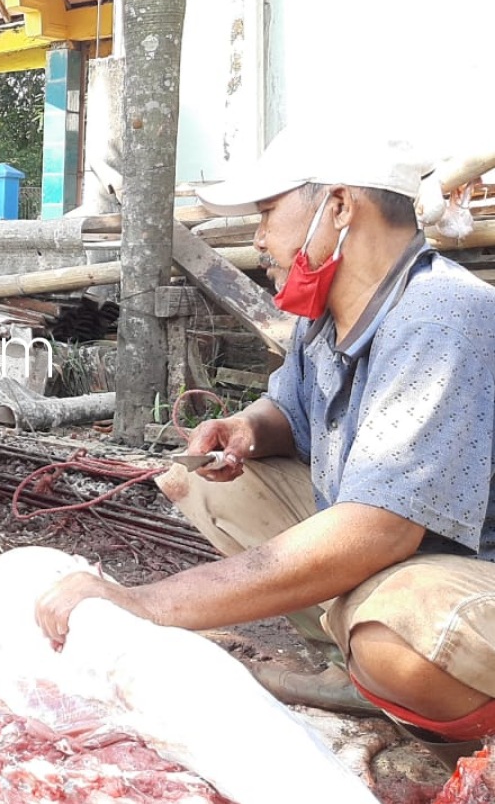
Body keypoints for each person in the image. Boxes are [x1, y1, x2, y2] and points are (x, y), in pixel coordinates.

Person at [34, 125, 495, 769]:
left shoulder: (444, 316)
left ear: (338, 207)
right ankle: (351, 652)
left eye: (268, 214)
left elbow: (379, 531)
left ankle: (458, 743)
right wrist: (250, 427)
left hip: (467, 568)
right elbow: (291, 409)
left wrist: (149, 604)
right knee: (194, 478)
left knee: (398, 638)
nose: (259, 239)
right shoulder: (327, 317)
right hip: (393, 545)